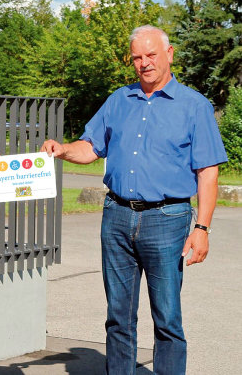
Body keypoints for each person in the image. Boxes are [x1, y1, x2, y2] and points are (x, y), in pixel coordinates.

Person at [41, 25, 226, 374]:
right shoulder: (118, 100)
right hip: (117, 217)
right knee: (118, 317)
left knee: (167, 318)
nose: (144, 63)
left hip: (168, 220)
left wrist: (202, 228)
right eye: (138, 57)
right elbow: (91, 147)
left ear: (169, 54)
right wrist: (62, 149)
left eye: (151, 55)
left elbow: (208, 173)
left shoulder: (194, 106)